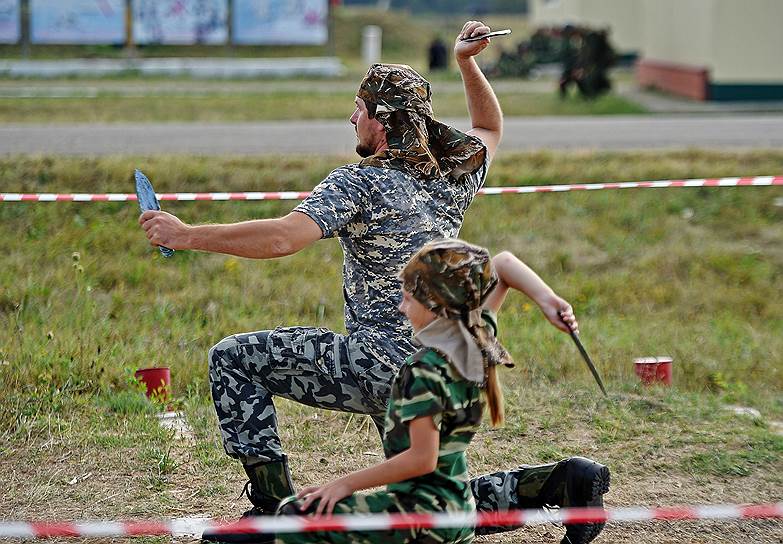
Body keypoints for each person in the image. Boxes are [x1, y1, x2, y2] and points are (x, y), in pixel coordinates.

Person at [139, 20, 609, 544]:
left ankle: (275, 515)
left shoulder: (360, 181)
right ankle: (563, 483)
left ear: (380, 120)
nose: (351, 119)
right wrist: (466, 63)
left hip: (380, 364)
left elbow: (282, 239)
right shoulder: (450, 175)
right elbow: (491, 128)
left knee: (233, 358)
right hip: (442, 363)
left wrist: (186, 235)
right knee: (429, 502)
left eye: (358, 110)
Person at [276, 239, 513, 544]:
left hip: (422, 519)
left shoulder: (424, 369)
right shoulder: (476, 342)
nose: (401, 309)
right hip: (459, 514)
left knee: (293, 516)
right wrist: (552, 302)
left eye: (407, 300)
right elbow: (505, 267)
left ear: (436, 305)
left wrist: (343, 484)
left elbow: (421, 460)